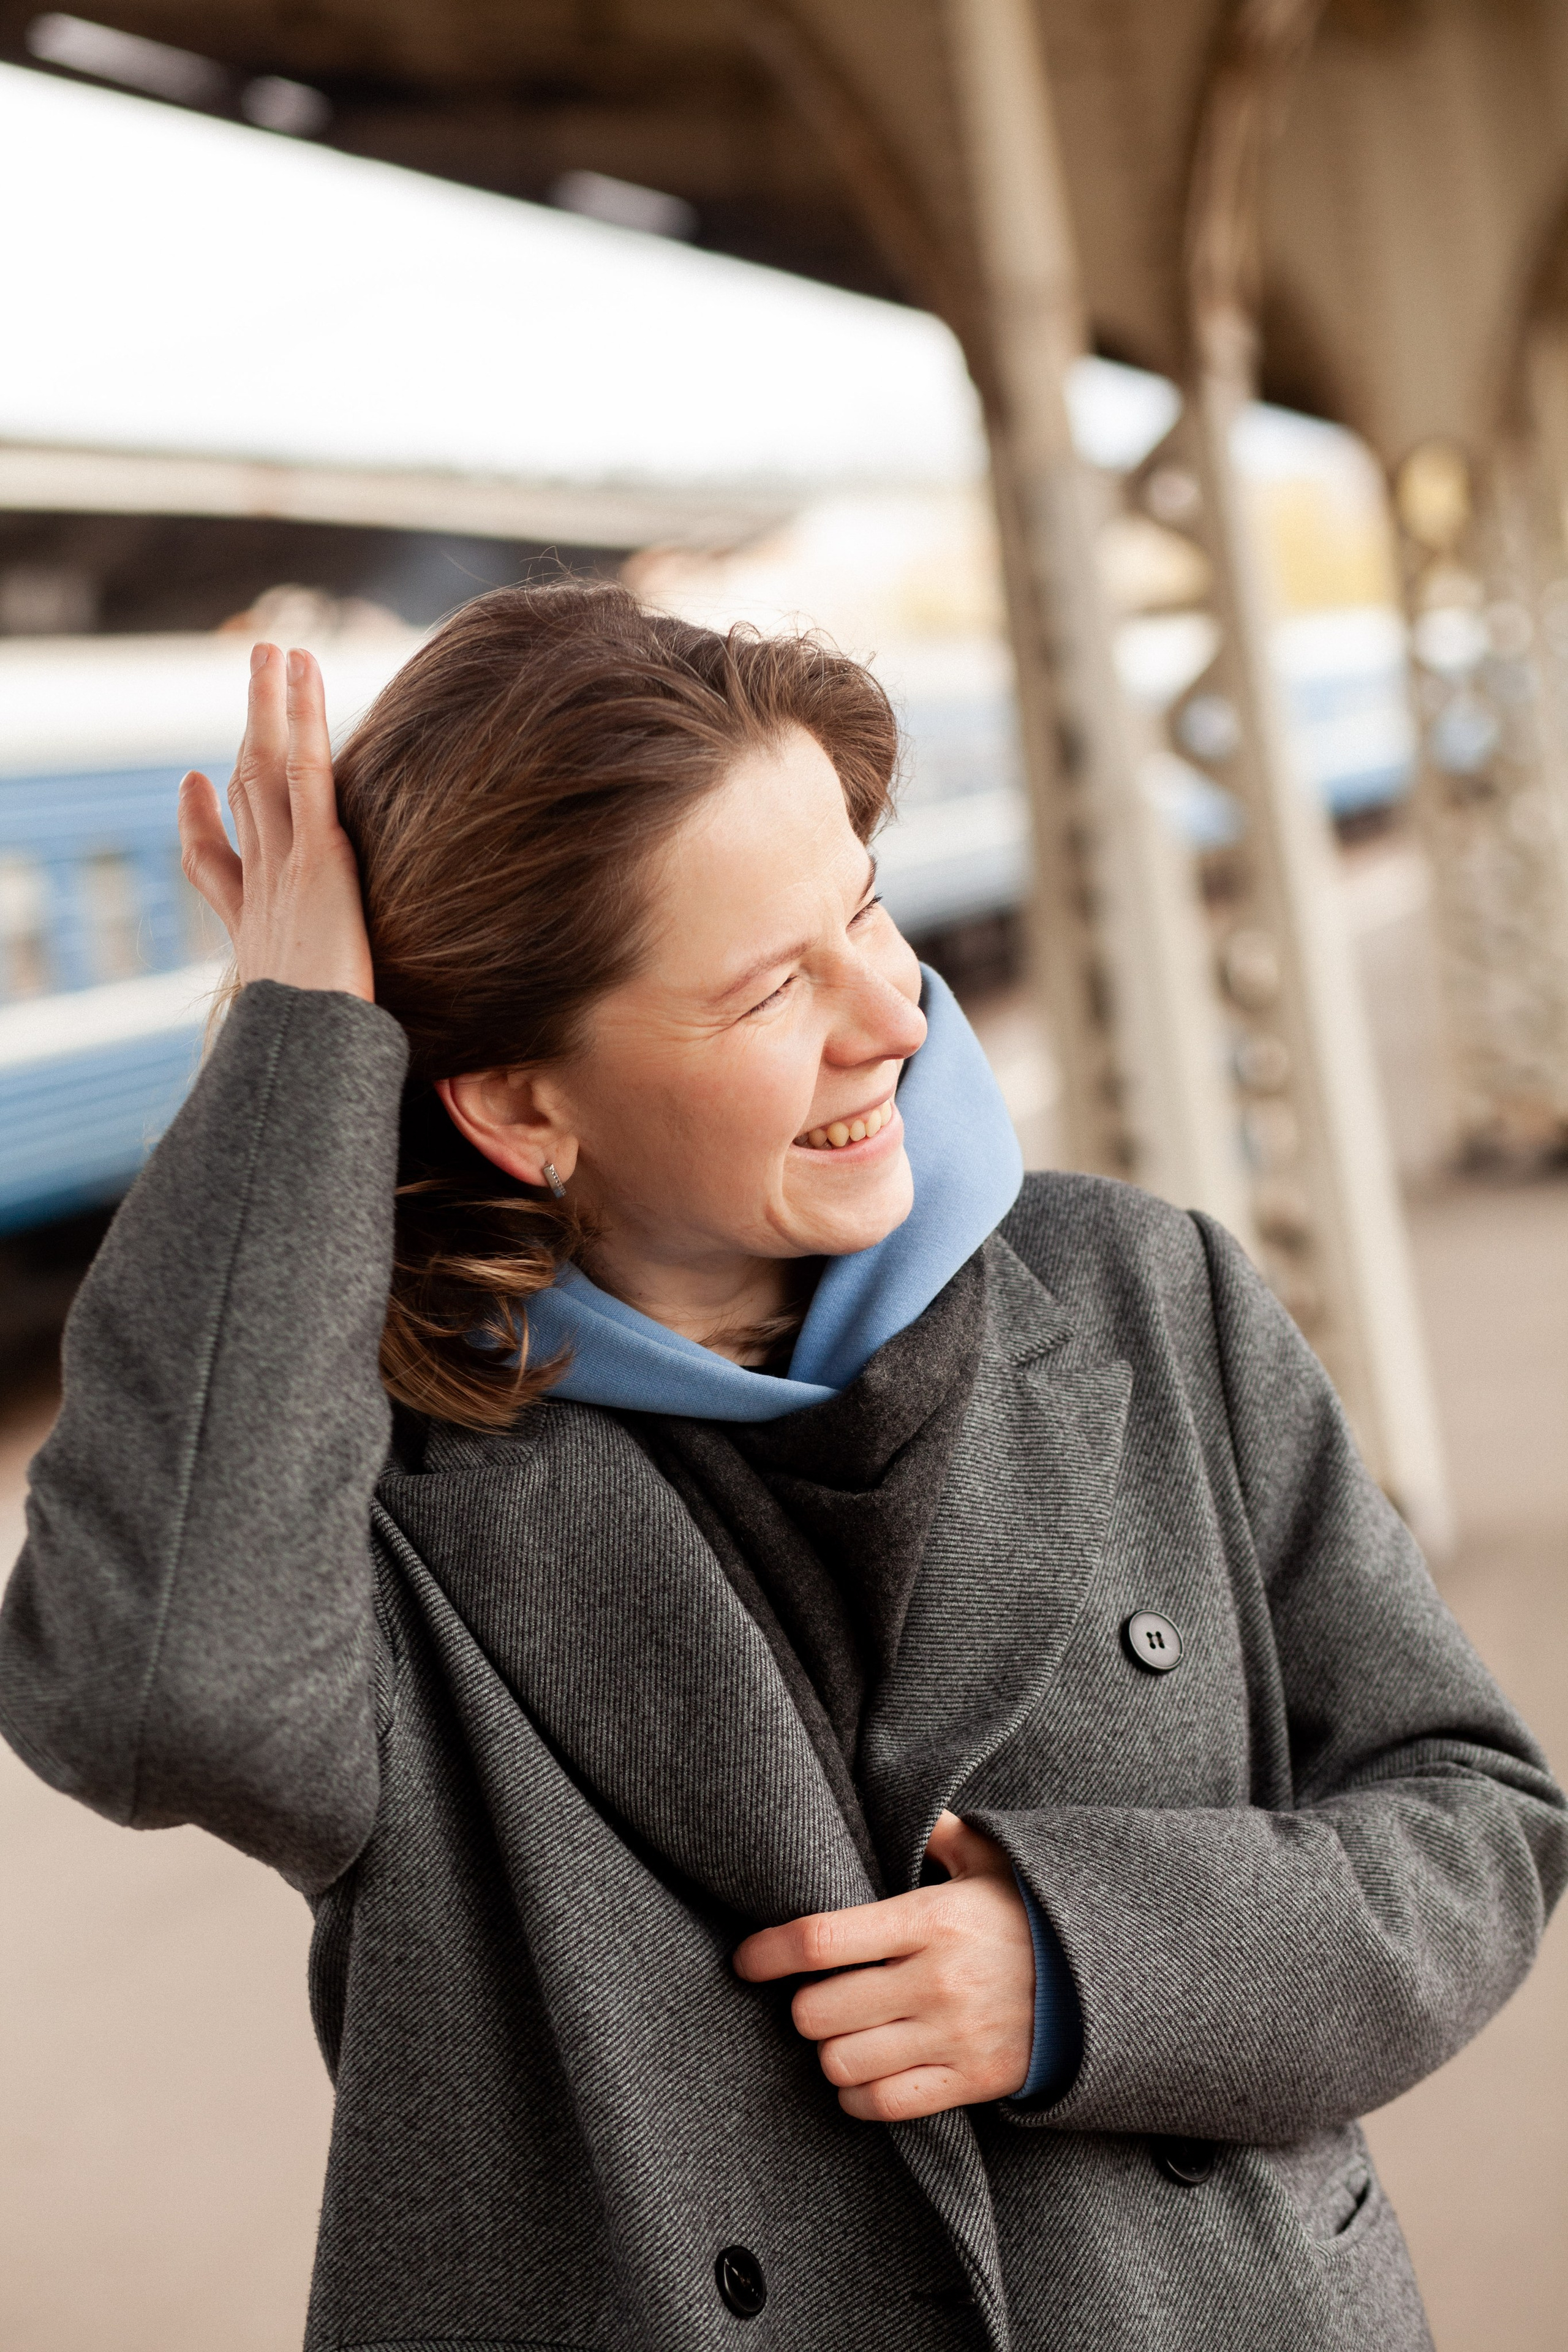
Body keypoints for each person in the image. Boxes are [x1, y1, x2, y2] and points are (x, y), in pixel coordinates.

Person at [1, 582, 1561, 2352]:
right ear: (523, 1107)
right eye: (770, 989)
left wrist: (1085, 1969)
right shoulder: (371, 1498)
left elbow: (1474, 1821)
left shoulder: (1145, 1293)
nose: (896, 1017)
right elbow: (150, 1697)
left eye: (868, 912)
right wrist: (298, 1046)